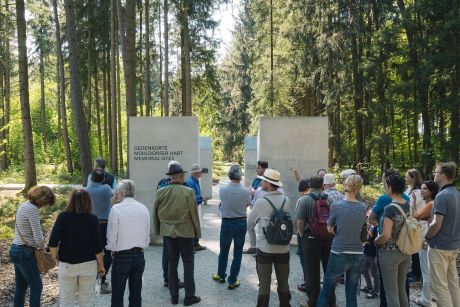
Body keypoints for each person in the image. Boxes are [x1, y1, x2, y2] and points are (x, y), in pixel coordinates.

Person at [154, 161, 201, 306]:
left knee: (172, 263)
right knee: (188, 263)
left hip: (168, 233)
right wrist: (197, 233)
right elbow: (194, 214)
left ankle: (174, 296)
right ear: (180, 176)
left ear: (171, 176)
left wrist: (158, 230)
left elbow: (155, 213)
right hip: (185, 232)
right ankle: (189, 297)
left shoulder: (161, 191)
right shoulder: (188, 192)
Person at [317, 174, 367, 307]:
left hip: (339, 251)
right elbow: (362, 229)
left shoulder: (336, 206)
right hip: (357, 253)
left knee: (327, 289)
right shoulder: (363, 207)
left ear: (345, 184)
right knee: (351, 292)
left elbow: (329, 228)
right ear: (359, 187)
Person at [48, 189, 105, 306]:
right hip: (88, 265)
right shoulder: (93, 219)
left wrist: (55, 258)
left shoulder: (63, 217)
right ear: (88, 202)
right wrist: (101, 265)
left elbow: (53, 242)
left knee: (66, 301)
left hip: (67, 264)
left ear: (71, 201)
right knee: (86, 300)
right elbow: (98, 246)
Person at [247, 168, 292, 307]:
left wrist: (252, 242)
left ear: (268, 183)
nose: (261, 183)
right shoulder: (286, 200)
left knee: (265, 283)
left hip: (265, 249)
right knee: (283, 281)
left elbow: (250, 224)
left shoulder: (261, 202)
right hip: (283, 248)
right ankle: (285, 304)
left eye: (263, 181)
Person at [368, 169, 410, 307]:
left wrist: (375, 241)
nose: (385, 188)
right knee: (402, 291)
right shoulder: (407, 204)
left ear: (391, 187)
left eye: (386, 185)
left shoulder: (390, 208)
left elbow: (385, 235)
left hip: (389, 253)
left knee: (391, 293)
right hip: (405, 251)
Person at [9, 186, 56, 307]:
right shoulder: (32, 209)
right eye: (46, 203)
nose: (44, 206)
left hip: (15, 249)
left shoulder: (24, 205)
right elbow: (38, 236)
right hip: (25, 252)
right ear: (42, 200)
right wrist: (43, 247)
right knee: (37, 287)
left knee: (21, 286)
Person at [106, 180, 150, 307]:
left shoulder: (116, 209)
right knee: (136, 293)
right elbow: (147, 234)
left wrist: (112, 249)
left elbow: (112, 234)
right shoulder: (143, 208)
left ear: (120, 193)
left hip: (121, 255)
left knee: (118, 293)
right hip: (139, 254)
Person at [296, 175, 335, 307]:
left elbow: (299, 221)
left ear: (310, 186)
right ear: (323, 185)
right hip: (328, 238)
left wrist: (302, 235)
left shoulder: (304, 200)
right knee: (329, 271)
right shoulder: (330, 199)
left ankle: (313, 302)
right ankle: (331, 301)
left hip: (310, 239)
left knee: (312, 272)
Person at [425, 162, 460, 307]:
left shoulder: (442, 196)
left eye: (436, 172)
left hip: (439, 247)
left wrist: (426, 236)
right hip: (453, 246)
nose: (434, 174)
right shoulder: (457, 194)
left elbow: (435, 224)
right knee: (452, 283)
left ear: (444, 176)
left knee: (439, 286)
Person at [213, 165, 251, 289]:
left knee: (223, 250)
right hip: (241, 222)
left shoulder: (222, 190)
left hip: (227, 222)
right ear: (241, 176)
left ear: (229, 175)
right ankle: (232, 280)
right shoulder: (246, 191)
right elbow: (248, 205)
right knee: (238, 252)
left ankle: (220, 275)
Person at [85, 168, 114, 293]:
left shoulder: (87, 190)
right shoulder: (106, 188)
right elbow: (115, 194)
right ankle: (102, 279)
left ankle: (90, 281)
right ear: (103, 179)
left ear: (91, 179)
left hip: (90, 224)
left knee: (92, 252)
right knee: (107, 253)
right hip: (105, 225)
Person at [412, 180, 438, 307]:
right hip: (432, 241)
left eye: (425, 189)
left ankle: (426, 300)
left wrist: (413, 201)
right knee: (430, 271)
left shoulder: (430, 204)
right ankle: (430, 296)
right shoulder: (432, 203)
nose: (421, 190)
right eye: (421, 188)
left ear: (431, 191)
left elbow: (415, 216)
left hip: (426, 242)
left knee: (426, 271)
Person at [244, 160, 268, 254]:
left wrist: (254, 191)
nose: (256, 169)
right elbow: (254, 192)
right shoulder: (256, 179)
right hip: (255, 208)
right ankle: (253, 247)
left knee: (262, 229)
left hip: (266, 208)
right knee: (249, 226)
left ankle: (262, 250)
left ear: (264, 169)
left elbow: (260, 192)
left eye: (258, 168)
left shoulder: (269, 179)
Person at [405, 169, 424, 283]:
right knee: (414, 249)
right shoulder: (409, 189)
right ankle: (414, 271)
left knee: (417, 249)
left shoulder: (418, 191)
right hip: (411, 221)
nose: (405, 178)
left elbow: (413, 207)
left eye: (407, 177)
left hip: (417, 223)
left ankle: (417, 274)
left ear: (413, 178)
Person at [294, 178, 310, 293]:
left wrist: (300, 233)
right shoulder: (320, 197)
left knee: (304, 259)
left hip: (305, 234)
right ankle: (313, 281)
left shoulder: (302, 200)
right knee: (313, 260)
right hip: (318, 234)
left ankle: (307, 283)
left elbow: (298, 221)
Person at [186, 163, 207, 252]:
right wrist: (201, 198)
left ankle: (196, 243)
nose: (201, 173)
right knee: (193, 225)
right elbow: (191, 197)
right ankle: (193, 245)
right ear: (196, 173)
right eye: (200, 172)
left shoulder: (195, 180)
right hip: (192, 206)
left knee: (195, 225)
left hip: (196, 205)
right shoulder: (190, 182)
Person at [361, 221, 379, 299]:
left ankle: (376, 291)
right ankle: (369, 287)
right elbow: (367, 238)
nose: (368, 217)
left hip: (373, 254)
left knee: (375, 273)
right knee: (363, 269)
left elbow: (378, 243)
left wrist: (376, 256)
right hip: (366, 251)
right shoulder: (370, 227)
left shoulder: (378, 228)